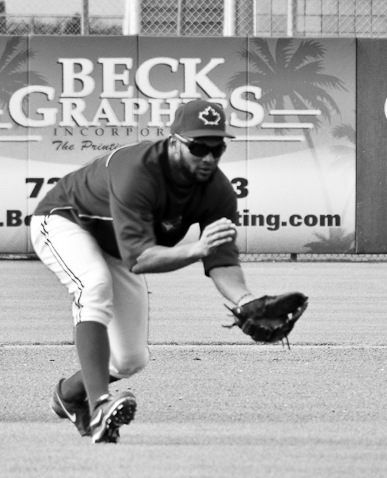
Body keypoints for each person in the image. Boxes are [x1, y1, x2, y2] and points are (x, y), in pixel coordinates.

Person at [31, 99, 262, 444]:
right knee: (93, 286)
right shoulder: (137, 171)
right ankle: (99, 409)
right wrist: (196, 249)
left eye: (218, 147)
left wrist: (247, 301)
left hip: (116, 248)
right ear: (174, 141)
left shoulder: (218, 190)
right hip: (65, 220)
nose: (209, 157)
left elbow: (222, 260)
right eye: (199, 147)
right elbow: (139, 259)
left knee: (129, 359)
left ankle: (68, 395)